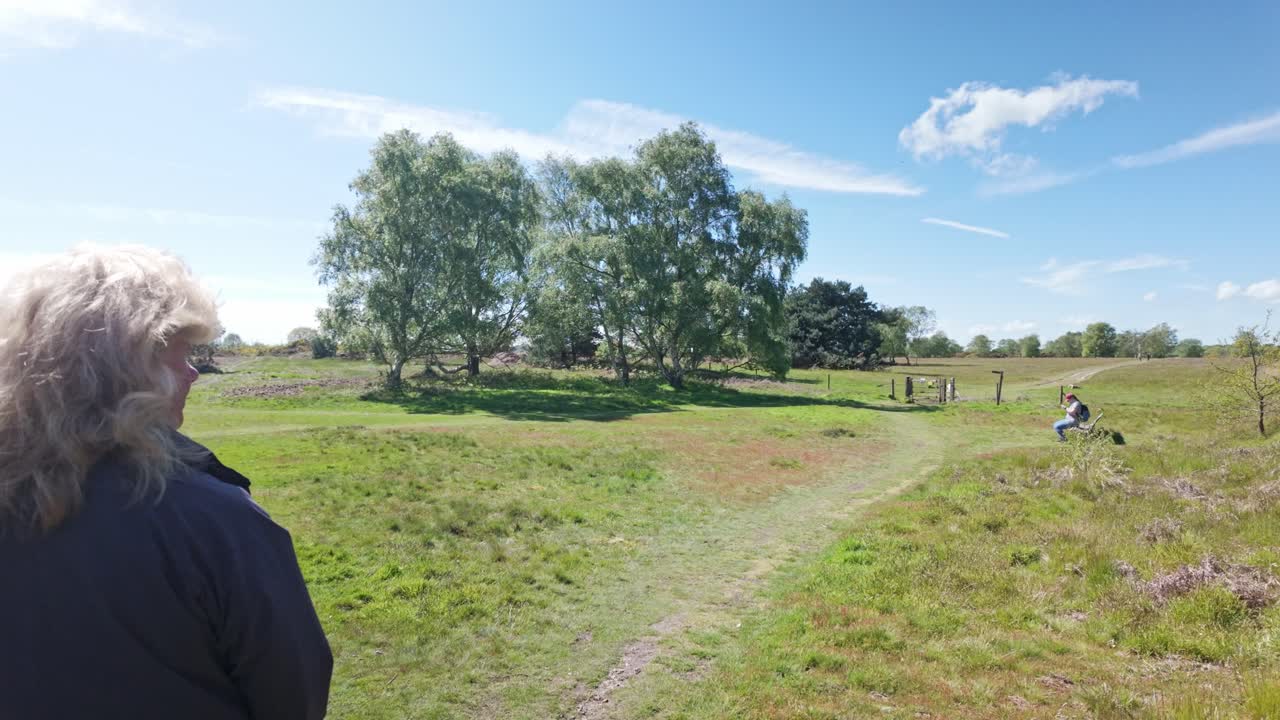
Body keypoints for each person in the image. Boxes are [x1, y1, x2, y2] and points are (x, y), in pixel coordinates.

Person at [0, 245, 333, 719]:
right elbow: (294, 694)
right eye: (178, 355)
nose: (194, 372)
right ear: (124, 370)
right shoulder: (216, 524)